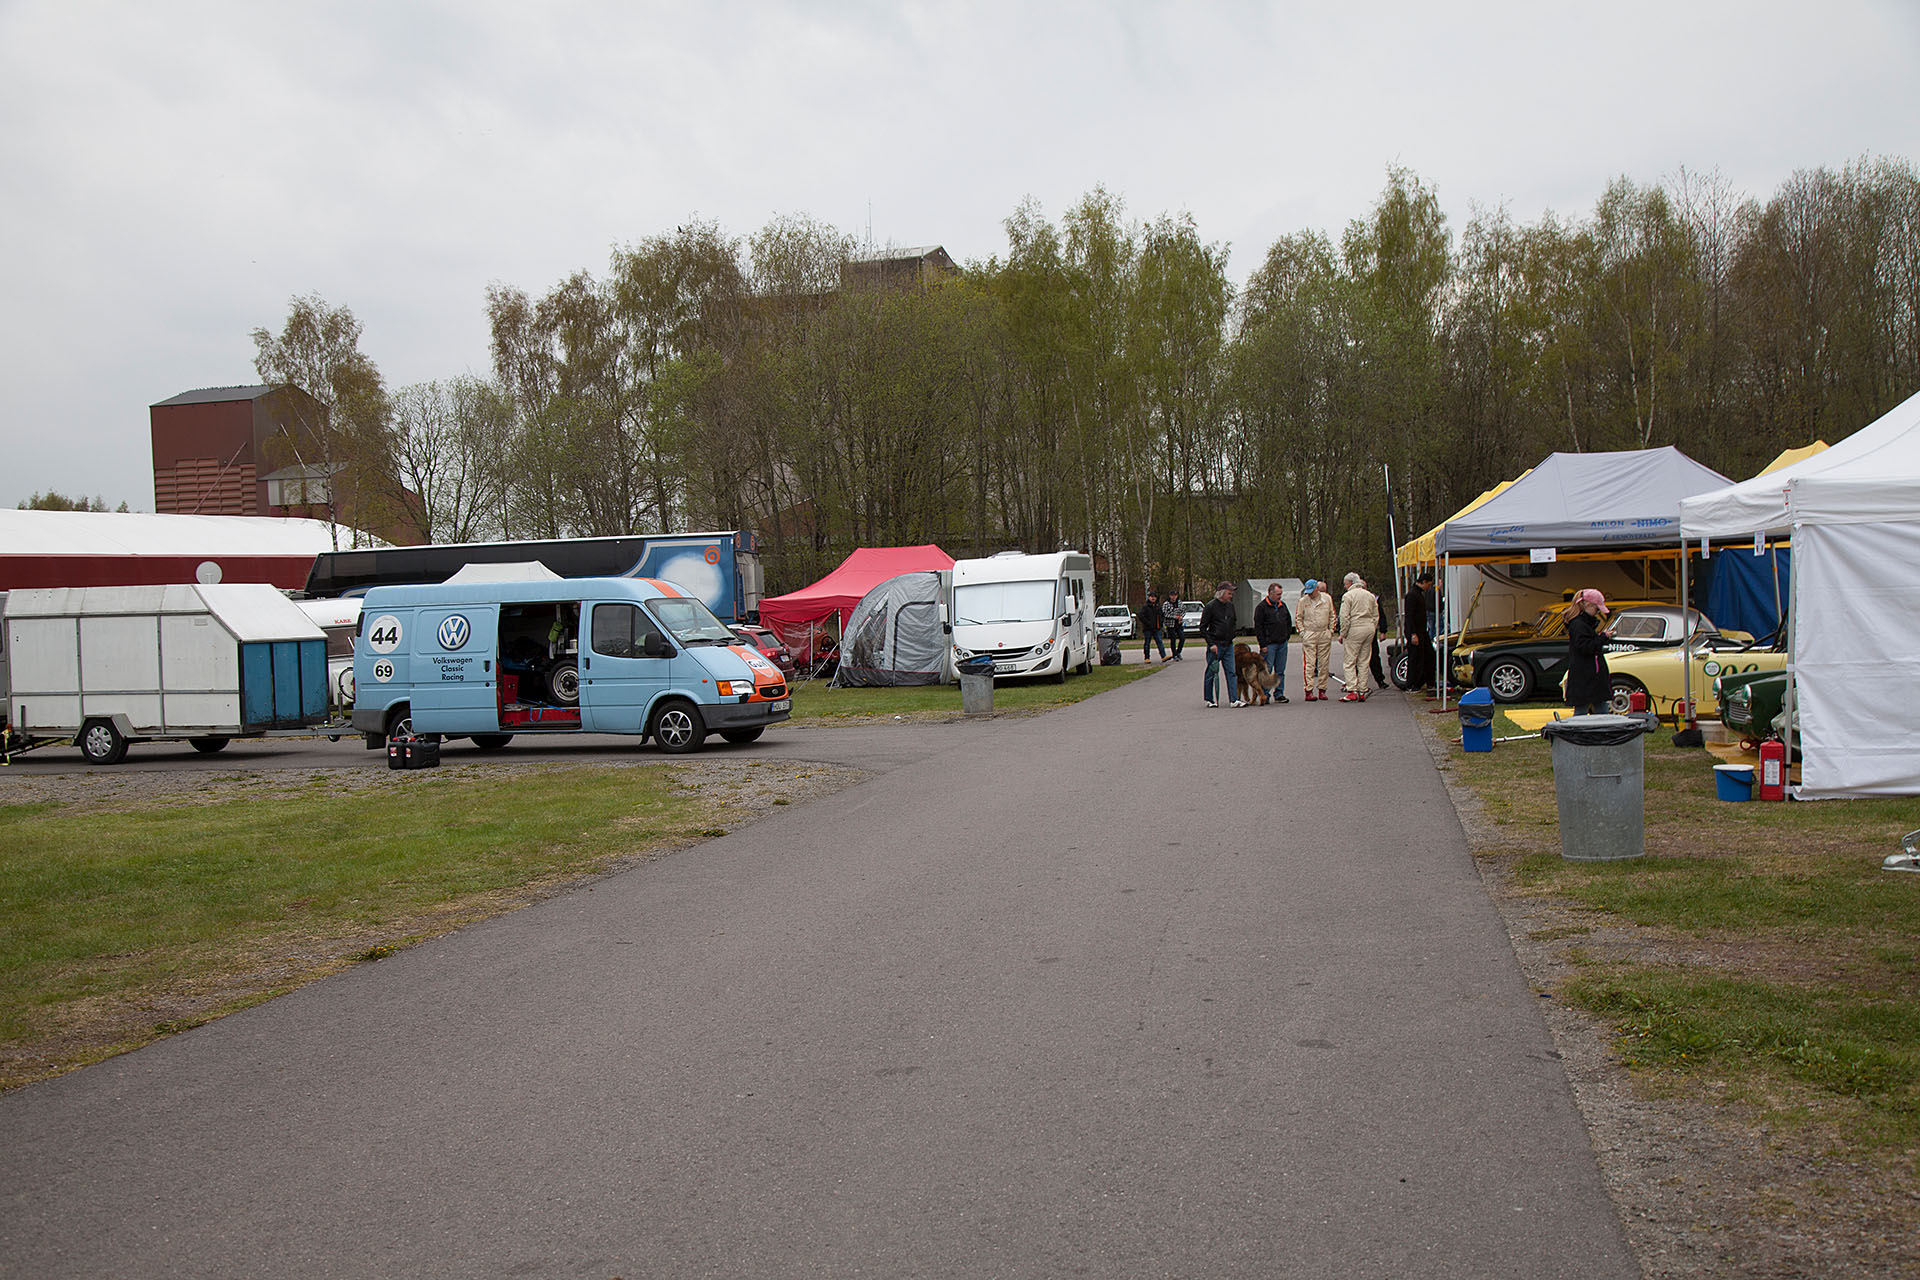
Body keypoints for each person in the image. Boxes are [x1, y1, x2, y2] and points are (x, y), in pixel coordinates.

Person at [1565, 588, 1613, 715]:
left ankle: (1604, 725)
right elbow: (1586, 647)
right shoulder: (1579, 625)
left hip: (1589, 676)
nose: (1597, 613)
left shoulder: (1581, 624)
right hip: (1585, 677)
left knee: (1598, 706)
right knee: (1583, 710)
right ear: (1588, 605)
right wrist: (1603, 637)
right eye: (1597, 609)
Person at [1337, 572, 1380, 703]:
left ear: (1350, 583)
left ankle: (1352, 690)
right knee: (1364, 660)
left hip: (1355, 628)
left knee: (1350, 661)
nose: (1345, 586)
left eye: (1345, 584)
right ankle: (1362, 689)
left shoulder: (1348, 596)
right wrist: (1372, 627)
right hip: (1369, 628)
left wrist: (1343, 633)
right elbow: (1376, 614)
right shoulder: (1370, 595)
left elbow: (1344, 617)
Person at [1200, 581, 1243, 707]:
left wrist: (1232, 634)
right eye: (1229, 593)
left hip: (1228, 644)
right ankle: (1209, 699)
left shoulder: (1230, 606)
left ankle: (1234, 699)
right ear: (1222, 593)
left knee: (1231, 672)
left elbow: (1233, 621)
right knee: (1211, 671)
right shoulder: (1210, 607)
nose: (1231, 596)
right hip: (1215, 645)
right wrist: (1211, 643)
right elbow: (1203, 628)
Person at [1252, 582, 1294, 705]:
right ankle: (1265, 694)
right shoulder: (1261, 608)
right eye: (1278, 594)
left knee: (1280, 670)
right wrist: (1263, 644)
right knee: (1266, 670)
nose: (1280, 596)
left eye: (1281, 594)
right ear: (1270, 593)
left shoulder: (1282, 606)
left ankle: (1279, 693)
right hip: (1269, 644)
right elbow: (1258, 627)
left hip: (1282, 643)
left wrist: (1286, 636)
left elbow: (1288, 621)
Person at [1296, 579, 1335, 701]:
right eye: (1308, 592)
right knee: (1309, 663)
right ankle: (1308, 690)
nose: (1310, 594)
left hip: (1324, 633)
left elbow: (1332, 615)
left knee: (1324, 663)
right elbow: (1298, 618)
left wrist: (1331, 630)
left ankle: (1322, 689)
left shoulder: (1327, 599)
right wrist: (1302, 632)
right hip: (1310, 633)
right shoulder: (1303, 601)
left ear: (1317, 589)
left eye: (1311, 591)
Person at [1404, 569, 1435, 695]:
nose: (1429, 587)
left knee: (1428, 655)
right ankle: (1411, 684)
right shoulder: (1412, 595)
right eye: (1429, 584)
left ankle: (1427, 681)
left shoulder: (1418, 594)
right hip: (1415, 631)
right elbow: (1409, 616)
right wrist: (1412, 633)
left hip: (1422, 630)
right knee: (1415, 658)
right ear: (1424, 582)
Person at [1139, 592, 1167, 662]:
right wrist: (1148, 623)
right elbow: (1141, 616)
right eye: (1151, 597)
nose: (1153, 598)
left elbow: (1162, 615)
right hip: (1148, 628)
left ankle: (1163, 656)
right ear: (1149, 597)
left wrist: (1160, 623)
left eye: (1154, 597)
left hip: (1157, 628)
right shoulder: (1145, 607)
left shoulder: (1158, 607)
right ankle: (1147, 657)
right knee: (1147, 643)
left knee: (1159, 642)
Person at [1162, 592, 1186, 661]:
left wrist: (1181, 617)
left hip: (1179, 624)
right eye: (1172, 595)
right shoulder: (1166, 604)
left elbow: (1184, 611)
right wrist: (1175, 617)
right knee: (1173, 639)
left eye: (1175, 595)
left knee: (1182, 638)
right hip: (1170, 624)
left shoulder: (1180, 603)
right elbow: (1165, 614)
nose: (1173, 597)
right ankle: (1174, 654)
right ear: (1169, 596)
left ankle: (1178, 652)